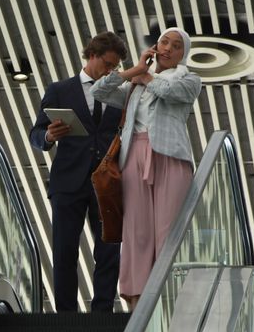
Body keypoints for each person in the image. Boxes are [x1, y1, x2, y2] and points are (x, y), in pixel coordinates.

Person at [91, 27, 202, 310]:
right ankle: (137, 300)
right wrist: (134, 70)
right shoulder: (135, 83)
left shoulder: (190, 79)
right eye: (164, 41)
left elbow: (171, 92)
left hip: (171, 157)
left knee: (168, 230)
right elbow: (99, 91)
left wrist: (147, 77)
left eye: (176, 46)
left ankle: (168, 298)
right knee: (136, 230)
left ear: (182, 54)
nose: (167, 48)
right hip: (133, 155)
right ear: (155, 45)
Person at [29, 31, 129, 312]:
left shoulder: (119, 93)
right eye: (107, 64)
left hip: (107, 183)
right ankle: (65, 315)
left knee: (109, 251)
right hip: (68, 182)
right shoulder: (60, 89)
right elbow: (35, 134)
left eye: (115, 67)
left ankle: (102, 312)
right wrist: (49, 136)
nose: (111, 71)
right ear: (92, 56)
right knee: (64, 251)